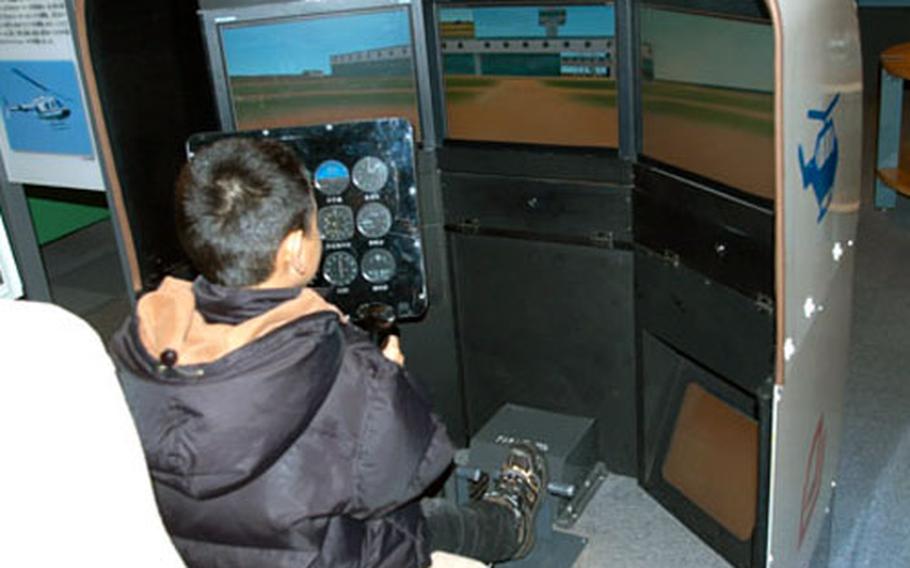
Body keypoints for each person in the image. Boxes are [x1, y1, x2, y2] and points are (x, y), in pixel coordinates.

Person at [108, 137, 547, 567]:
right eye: (315, 223)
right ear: (295, 251)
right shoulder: (352, 371)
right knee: (406, 522)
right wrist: (388, 381)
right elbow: (415, 470)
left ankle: (501, 526)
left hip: (197, 549)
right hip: (323, 554)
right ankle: (509, 523)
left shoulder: (136, 344)